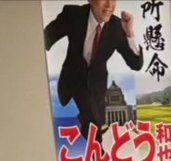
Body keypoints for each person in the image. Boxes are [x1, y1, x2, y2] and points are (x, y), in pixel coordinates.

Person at [44, 0, 142, 141]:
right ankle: (99, 152)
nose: (109, 5)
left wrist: (129, 32)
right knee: (95, 125)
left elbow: (136, 64)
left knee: (97, 122)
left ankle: (85, 123)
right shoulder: (73, 15)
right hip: (74, 79)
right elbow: (43, 40)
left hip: (98, 83)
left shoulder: (117, 26)